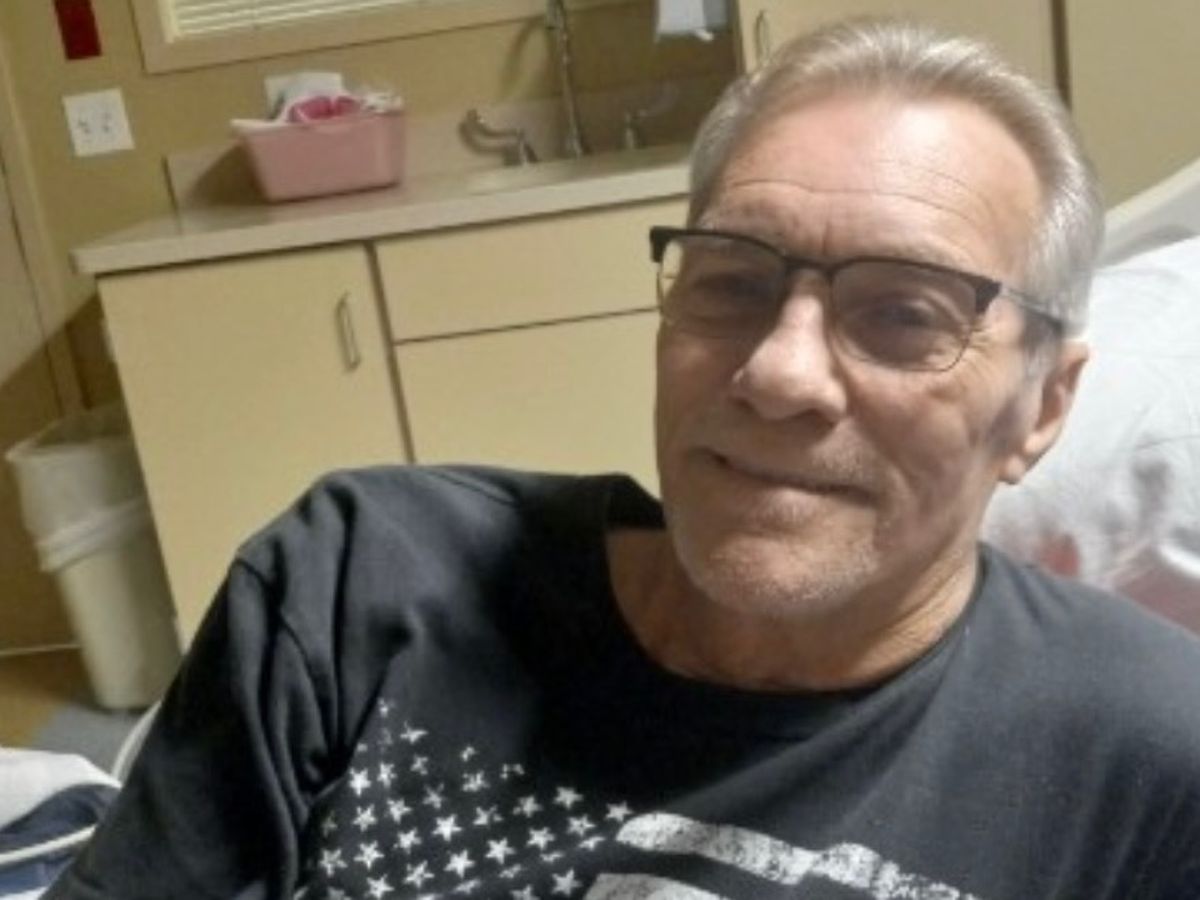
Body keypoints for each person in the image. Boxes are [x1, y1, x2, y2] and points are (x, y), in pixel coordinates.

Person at [48, 17, 1200, 900]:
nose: (779, 371)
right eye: (732, 280)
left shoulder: (1146, 757)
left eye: (903, 313)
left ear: (1042, 407)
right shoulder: (362, 586)